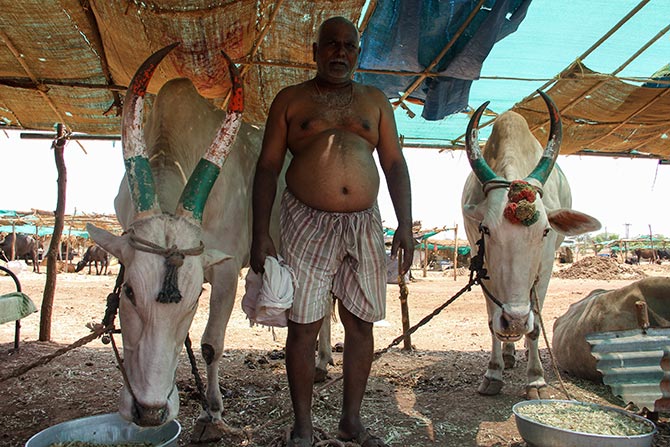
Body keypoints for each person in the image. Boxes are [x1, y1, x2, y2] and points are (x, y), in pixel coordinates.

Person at [250, 16, 414, 447]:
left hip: (364, 222)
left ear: (358, 53)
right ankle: (302, 428)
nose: (340, 53)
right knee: (304, 326)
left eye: (349, 46)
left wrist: (404, 225)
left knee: (361, 324)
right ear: (316, 51)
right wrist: (259, 233)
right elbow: (267, 167)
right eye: (331, 45)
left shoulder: (375, 101)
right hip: (306, 219)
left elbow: (394, 164)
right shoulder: (291, 101)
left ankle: (351, 422)